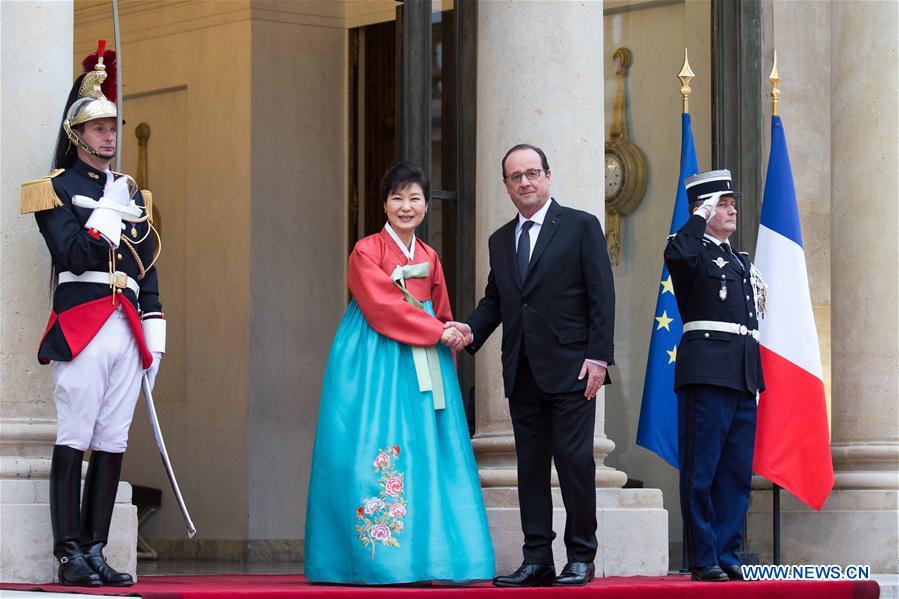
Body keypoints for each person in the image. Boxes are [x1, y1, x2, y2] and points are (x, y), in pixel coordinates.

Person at [303, 161, 494, 585]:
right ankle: (373, 560)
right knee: (372, 444)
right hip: (375, 354)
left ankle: (431, 558)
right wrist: (436, 331)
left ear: (426, 206)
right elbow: (381, 306)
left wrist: (449, 340)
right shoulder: (366, 251)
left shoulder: (429, 256)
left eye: (414, 198)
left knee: (430, 447)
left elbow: (441, 308)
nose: (405, 207)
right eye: (397, 198)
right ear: (384, 204)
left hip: (426, 358)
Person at [20, 42, 165, 587]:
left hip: (127, 328)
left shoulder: (134, 196)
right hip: (82, 324)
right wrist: (107, 205)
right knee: (74, 435)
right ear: (77, 135)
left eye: (113, 128)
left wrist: (157, 334)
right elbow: (74, 255)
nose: (109, 137)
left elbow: (146, 266)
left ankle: (97, 547)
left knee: (113, 439)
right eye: (99, 129)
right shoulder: (53, 190)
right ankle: (68, 551)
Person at [445, 144, 615, 587]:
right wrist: (469, 331)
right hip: (521, 371)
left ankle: (581, 556)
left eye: (532, 173)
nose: (525, 182)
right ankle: (537, 557)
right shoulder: (501, 240)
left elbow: (602, 296)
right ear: (505, 185)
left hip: (574, 370)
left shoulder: (580, 226)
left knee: (576, 463)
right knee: (531, 469)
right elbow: (497, 300)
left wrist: (598, 357)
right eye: (515, 176)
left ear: (548, 176)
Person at [664, 169, 765, 582]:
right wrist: (698, 217)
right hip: (707, 372)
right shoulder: (690, 249)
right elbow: (678, 256)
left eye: (731, 203)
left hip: (742, 374)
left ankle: (728, 553)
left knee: (736, 473)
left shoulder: (740, 260)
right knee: (702, 470)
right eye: (723, 203)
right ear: (702, 209)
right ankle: (704, 556)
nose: (732, 209)